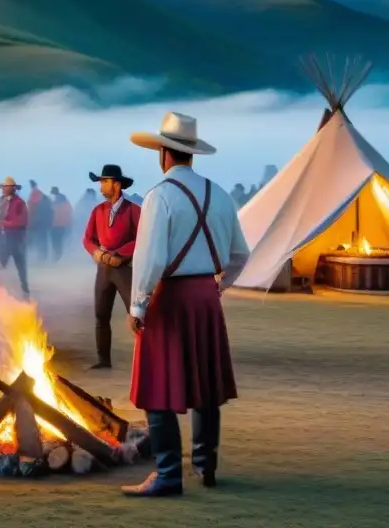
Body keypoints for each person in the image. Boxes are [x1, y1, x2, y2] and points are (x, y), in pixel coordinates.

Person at [121, 112, 250, 497]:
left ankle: (167, 475)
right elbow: (240, 254)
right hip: (206, 298)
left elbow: (149, 258)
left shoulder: (159, 196)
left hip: (170, 298)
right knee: (206, 385)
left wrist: (138, 306)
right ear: (191, 153)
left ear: (163, 153)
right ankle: (205, 466)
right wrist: (219, 285)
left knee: (157, 385)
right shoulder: (220, 194)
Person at [82, 165, 141, 370]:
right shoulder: (98, 211)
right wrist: (98, 254)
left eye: (103, 182)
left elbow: (142, 238)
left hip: (124, 269)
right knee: (101, 315)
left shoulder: (134, 210)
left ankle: (147, 359)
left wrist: (120, 255)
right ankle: (103, 359)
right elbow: (87, 239)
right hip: (104, 269)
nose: (100, 187)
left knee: (137, 315)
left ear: (116, 184)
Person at [0, 176, 29, 297]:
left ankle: (25, 291)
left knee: (20, 266)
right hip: (5, 238)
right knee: (1, 264)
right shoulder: (2, 201)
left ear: (12, 189)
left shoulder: (19, 203)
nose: (2, 189)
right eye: (3, 187)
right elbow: (1, 216)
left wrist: (0, 223)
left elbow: (20, 222)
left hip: (17, 238)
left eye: (5, 187)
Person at [49, 187, 72, 260]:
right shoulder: (66, 202)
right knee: (59, 240)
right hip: (64, 225)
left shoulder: (55, 203)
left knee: (55, 240)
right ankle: (58, 254)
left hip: (55, 225)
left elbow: (52, 213)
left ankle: (57, 255)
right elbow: (69, 212)